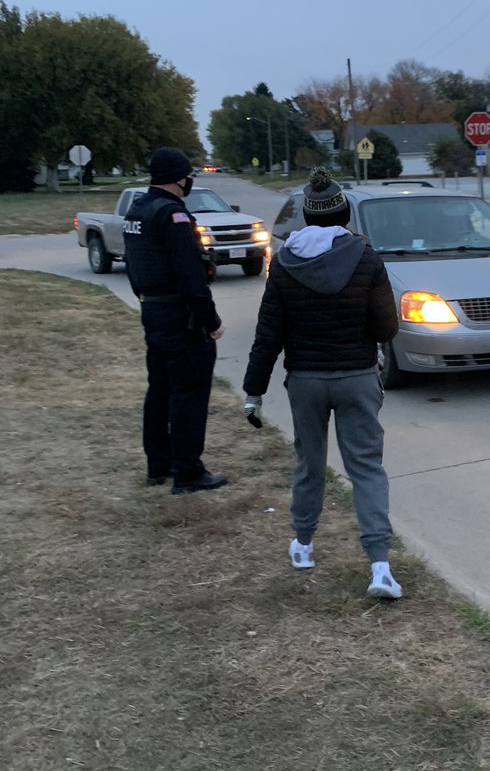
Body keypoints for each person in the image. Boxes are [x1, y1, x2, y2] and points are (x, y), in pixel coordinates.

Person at [242, 167, 402, 599]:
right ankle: (380, 567)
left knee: (309, 463)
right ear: (344, 214)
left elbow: (268, 334)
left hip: (307, 381)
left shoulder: (285, 264)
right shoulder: (366, 258)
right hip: (357, 377)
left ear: (307, 219)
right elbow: (387, 326)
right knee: (366, 467)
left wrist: (253, 392)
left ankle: (303, 545)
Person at [124, 147, 227, 495]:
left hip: (153, 311)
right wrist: (210, 320)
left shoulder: (137, 210)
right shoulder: (173, 216)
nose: (190, 182)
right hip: (181, 317)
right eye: (189, 176)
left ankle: (158, 465)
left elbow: (135, 269)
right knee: (189, 394)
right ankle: (188, 472)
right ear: (179, 179)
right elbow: (191, 278)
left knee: (160, 390)